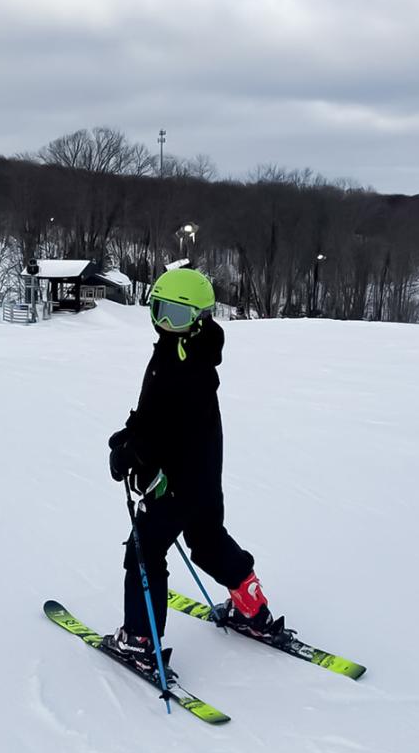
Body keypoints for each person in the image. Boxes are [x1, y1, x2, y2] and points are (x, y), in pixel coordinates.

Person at [102, 266, 283, 675]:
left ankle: (139, 639)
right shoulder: (186, 352)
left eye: (179, 317)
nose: (168, 324)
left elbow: (167, 428)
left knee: (145, 552)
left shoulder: (182, 366)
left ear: (200, 320)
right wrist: (129, 436)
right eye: (161, 311)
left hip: (175, 482)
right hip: (202, 477)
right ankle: (250, 605)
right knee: (206, 540)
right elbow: (153, 415)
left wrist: (132, 455)